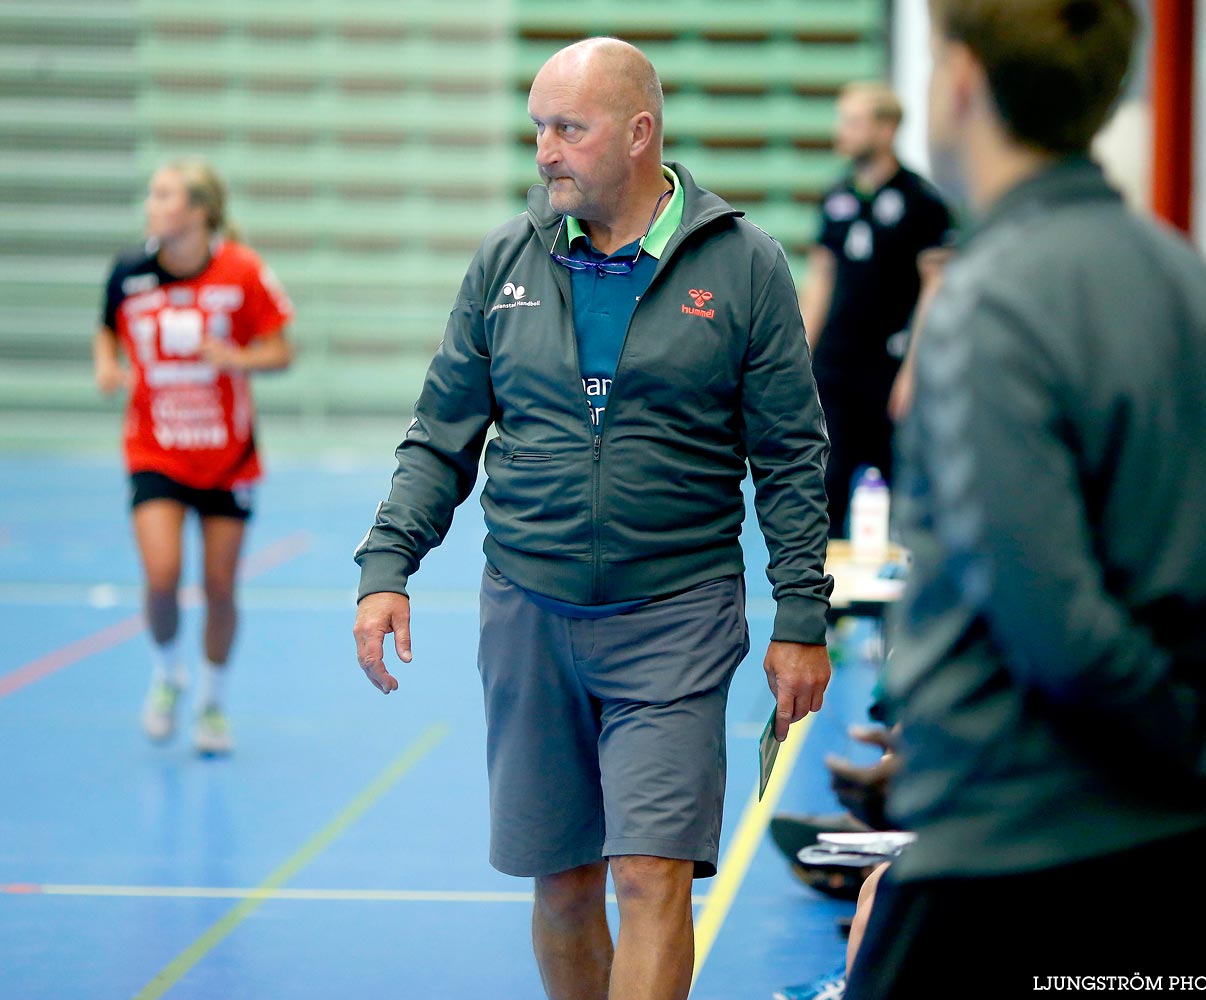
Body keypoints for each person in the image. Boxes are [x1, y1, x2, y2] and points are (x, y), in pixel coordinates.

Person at [845, 1, 1206, 995]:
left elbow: (1052, 621)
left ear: (963, 82)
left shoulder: (988, 302)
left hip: (1009, 877)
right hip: (1195, 873)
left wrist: (1205, 738)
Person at [351, 38, 833, 1000]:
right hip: (528, 613)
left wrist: (800, 619)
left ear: (639, 133)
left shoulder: (744, 267)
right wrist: (384, 569)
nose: (545, 151)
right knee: (565, 886)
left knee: (649, 876)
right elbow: (439, 432)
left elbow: (790, 453)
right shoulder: (506, 262)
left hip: (676, 615)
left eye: (567, 128)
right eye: (538, 128)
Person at [95, 158, 294, 755]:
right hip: (155, 449)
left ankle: (211, 701)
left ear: (199, 210)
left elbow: (280, 351)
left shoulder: (242, 270)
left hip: (228, 456)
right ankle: (167, 674)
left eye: (164, 195)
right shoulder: (130, 271)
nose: (152, 205)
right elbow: (107, 326)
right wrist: (108, 362)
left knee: (219, 585)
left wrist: (235, 358)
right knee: (160, 578)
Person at [801, 81, 953, 537]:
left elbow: (935, 288)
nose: (841, 131)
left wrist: (914, 370)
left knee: (899, 500)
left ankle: (892, 604)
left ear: (886, 129)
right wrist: (800, 358)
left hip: (889, 373)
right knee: (826, 492)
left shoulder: (923, 203)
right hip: (836, 370)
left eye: (853, 121)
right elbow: (820, 282)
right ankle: (827, 605)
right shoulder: (836, 198)